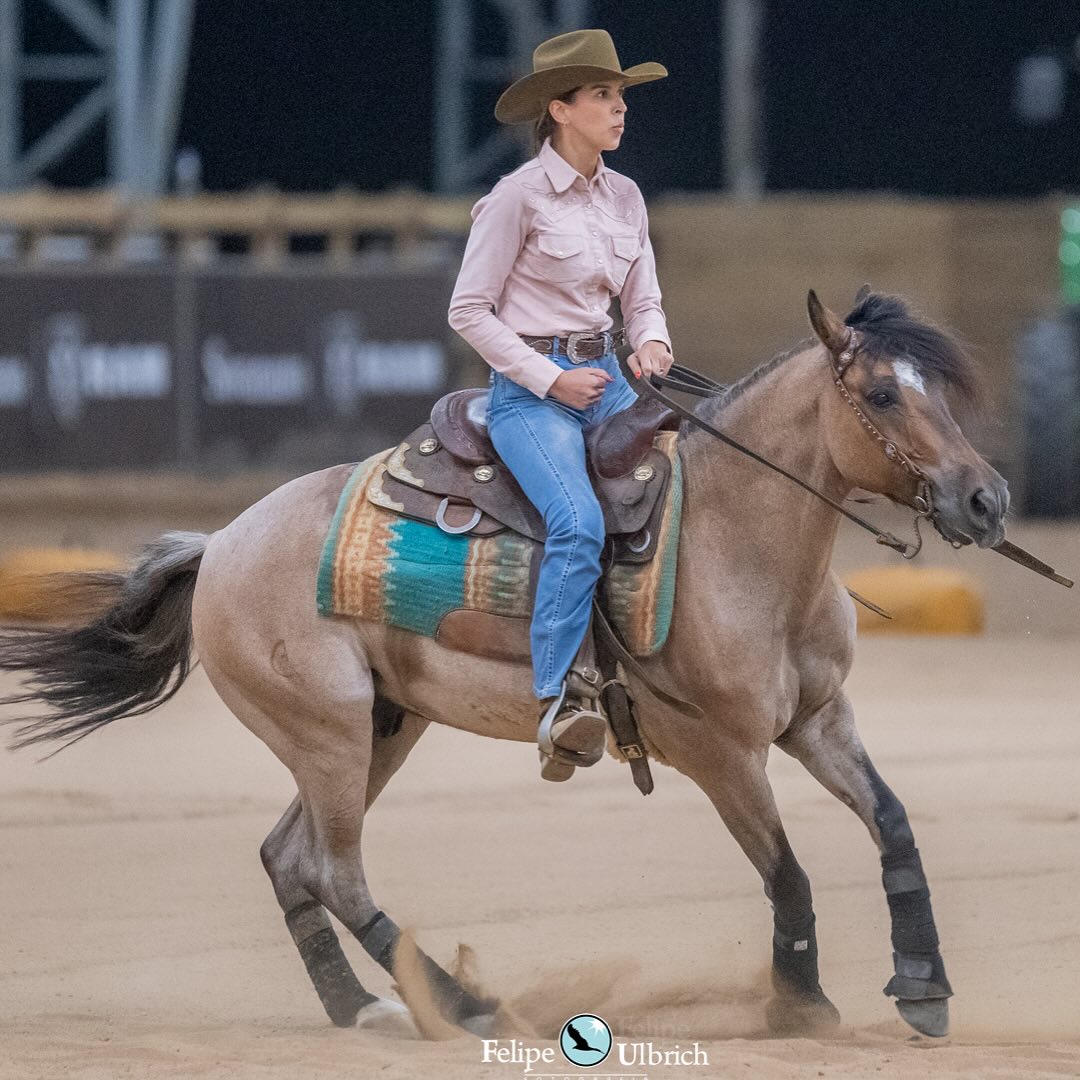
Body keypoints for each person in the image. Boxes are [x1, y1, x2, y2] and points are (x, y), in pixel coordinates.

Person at [448, 29, 675, 781]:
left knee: (686, 486)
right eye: (603, 96)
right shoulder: (514, 199)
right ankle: (556, 701)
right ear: (561, 110)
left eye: (620, 97)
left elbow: (641, 296)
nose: (620, 110)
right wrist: (549, 381)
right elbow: (469, 311)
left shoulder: (626, 196)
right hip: (530, 396)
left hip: (608, 377)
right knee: (577, 523)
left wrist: (650, 344)